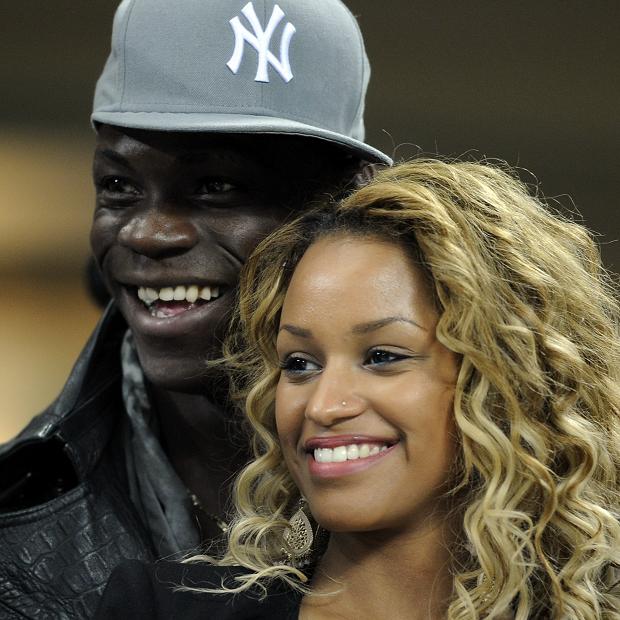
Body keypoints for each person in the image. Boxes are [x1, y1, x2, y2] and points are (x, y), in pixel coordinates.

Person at [0, 0, 391, 618]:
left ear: (346, 206)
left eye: (217, 187)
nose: (148, 233)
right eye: (119, 186)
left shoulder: (485, 503)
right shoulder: (17, 518)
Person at [96, 159, 620, 619]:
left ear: (507, 381)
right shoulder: (163, 609)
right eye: (300, 364)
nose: (323, 406)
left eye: (382, 357)